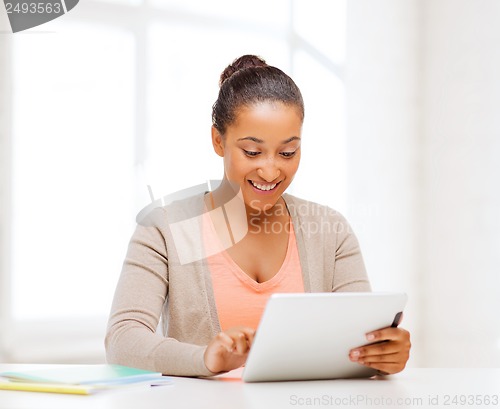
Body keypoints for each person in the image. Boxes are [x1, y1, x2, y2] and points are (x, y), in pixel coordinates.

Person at [105, 55, 411, 377]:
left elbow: (358, 344)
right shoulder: (165, 230)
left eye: (288, 152)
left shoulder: (330, 231)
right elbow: (123, 340)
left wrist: (385, 354)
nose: (270, 170)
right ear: (218, 140)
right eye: (252, 152)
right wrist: (205, 360)